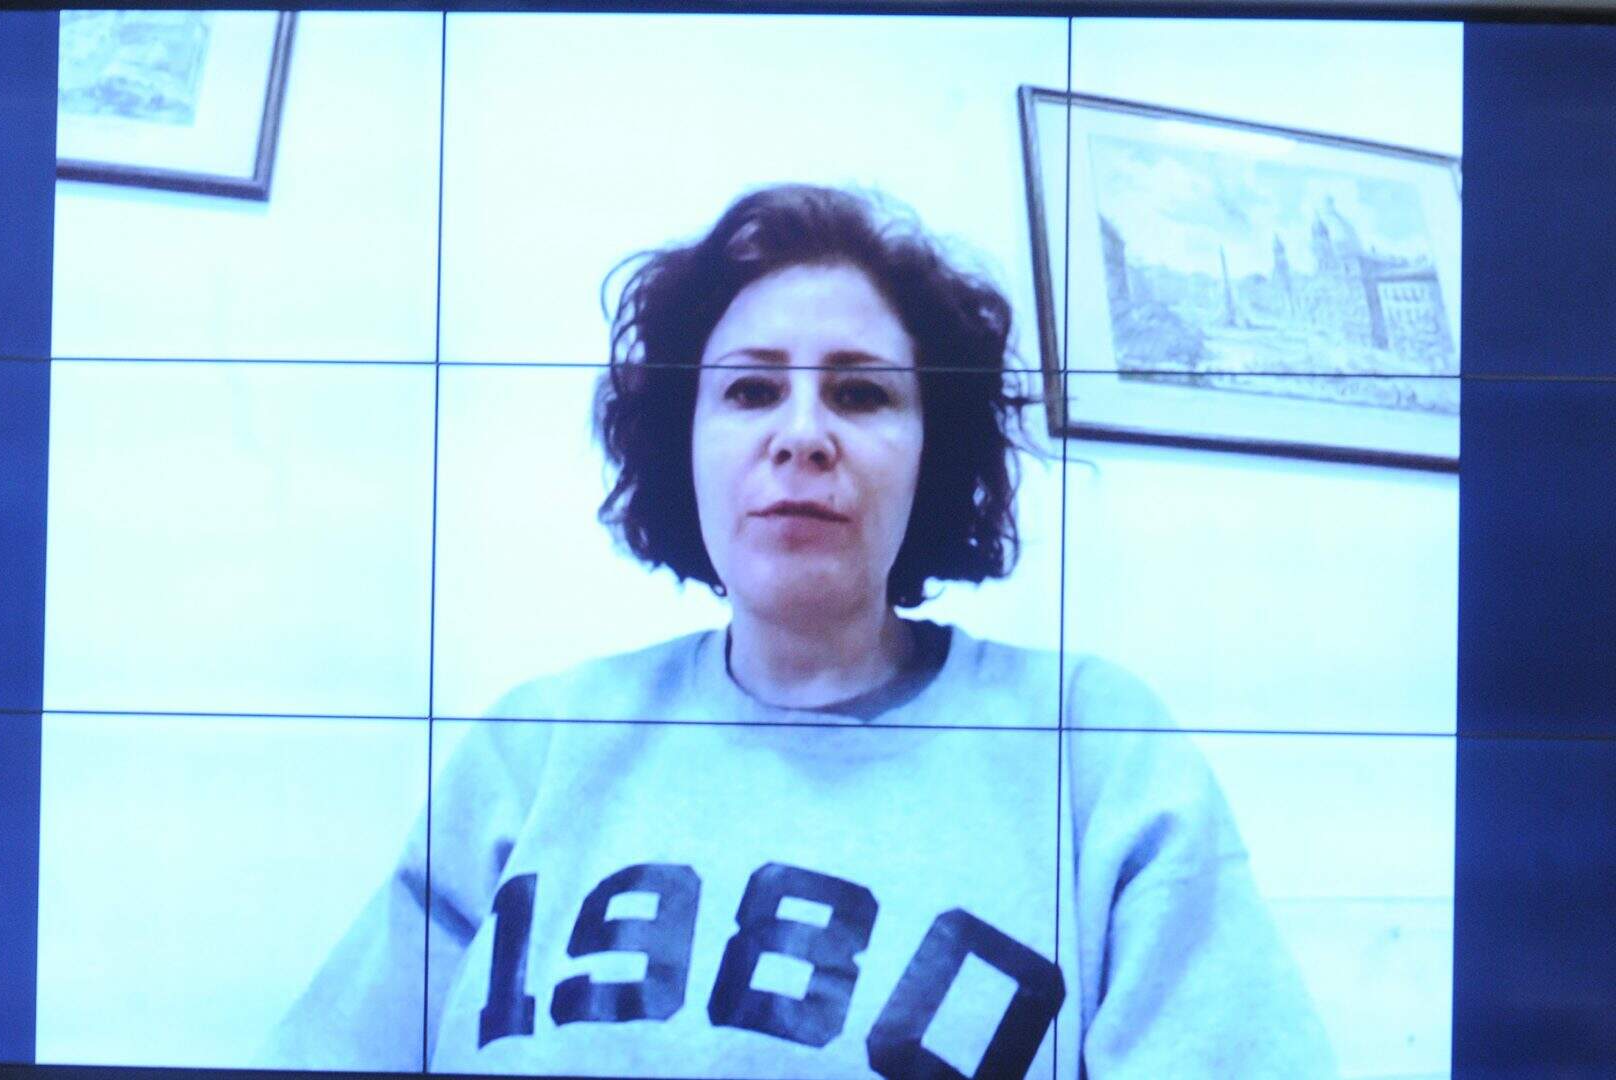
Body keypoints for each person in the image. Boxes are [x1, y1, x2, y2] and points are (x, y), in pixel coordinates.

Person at [266, 185, 1336, 1079]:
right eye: (751, 389)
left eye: (862, 394)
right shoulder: (535, 745)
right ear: (682, 443)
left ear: (934, 453)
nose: (803, 435)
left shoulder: (1094, 749)